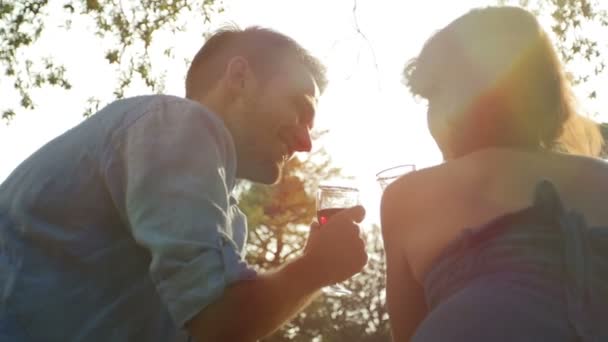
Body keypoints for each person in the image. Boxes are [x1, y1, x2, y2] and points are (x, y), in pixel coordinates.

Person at [0, 26, 368, 341]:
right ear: (240, 78)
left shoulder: (224, 212)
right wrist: (315, 269)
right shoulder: (178, 124)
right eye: (300, 109)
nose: (306, 142)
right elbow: (217, 319)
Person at [380, 6, 607, 341]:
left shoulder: (407, 198)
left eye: (432, 95)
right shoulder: (600, 179)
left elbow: (407, 333)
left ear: (455, 99)